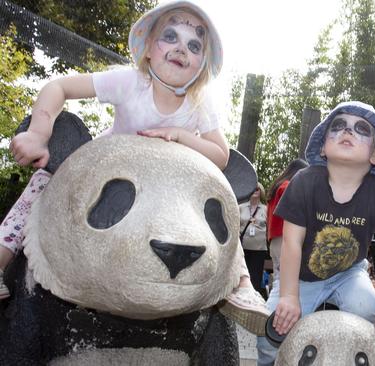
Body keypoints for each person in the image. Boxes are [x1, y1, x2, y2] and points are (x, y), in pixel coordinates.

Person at [0, 0, 269, 335]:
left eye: (194, 45)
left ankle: (241, 283)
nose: (181, 49)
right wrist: (39, 132)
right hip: (112, 171)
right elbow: (60, 87)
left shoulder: (201, 103)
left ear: (202, 64)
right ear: (148, 51)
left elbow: (221, 155)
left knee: (220, 199)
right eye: (170, 37)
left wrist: (183, 136)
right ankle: (2, 258)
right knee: (42, 183)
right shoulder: (129, 82)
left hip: (173, 190)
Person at [256, 101, 375, 365]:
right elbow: (291, 243)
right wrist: (289, 296)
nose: (348, 131)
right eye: (338, 126)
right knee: (271, 332)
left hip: (349, 273)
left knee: (366, 309)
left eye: (361, 129)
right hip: (299, 275)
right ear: (324, 147)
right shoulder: (304, 181)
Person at [266, 158, 308, 278]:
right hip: (286, 240)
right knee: (287, 282)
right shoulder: (287, 187)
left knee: (279, 280)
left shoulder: (277, 187)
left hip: (276, 241)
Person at [239, 182, 268, 297]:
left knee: (255, 278)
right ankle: (240, 300)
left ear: (261, 192)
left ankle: (253, 300)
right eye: (253, 188)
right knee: (241, 276)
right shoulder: (240, 207)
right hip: (242, 249)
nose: (256, 190)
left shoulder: (266, 209)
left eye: (258, 188)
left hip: (259, 249)